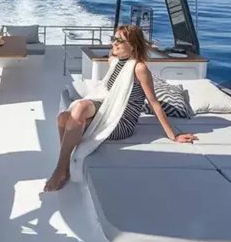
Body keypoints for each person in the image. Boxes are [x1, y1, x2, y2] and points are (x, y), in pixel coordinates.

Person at [44, 25, 198, 192]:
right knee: (64, 117)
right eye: (113, 39)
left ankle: (61, 169)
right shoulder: (115, 61)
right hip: (108, 107)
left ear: (133, 46)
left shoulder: (139, 68)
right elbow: (111, 62)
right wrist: (115, 46)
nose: (114, 43)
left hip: (121, 120)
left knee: (73, 120)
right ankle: (65, 162)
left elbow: (153, 102)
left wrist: (173, 135)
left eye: (120, 41)